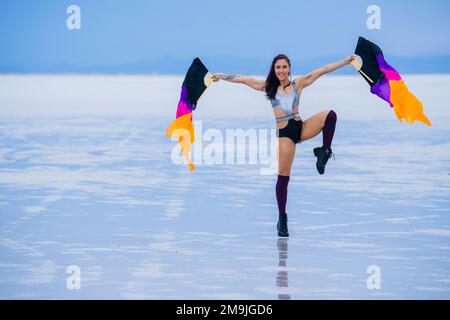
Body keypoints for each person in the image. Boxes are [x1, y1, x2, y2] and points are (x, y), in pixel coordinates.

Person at [212, 54, 355, 237]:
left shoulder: (298, 84)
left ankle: (324, 152)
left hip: (301, 127)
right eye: (278, 67)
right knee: (284, 177)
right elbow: (243, 80)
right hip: (285, 134)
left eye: (284, 67)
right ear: (274, 69)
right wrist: (221, 76)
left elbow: (323, 69)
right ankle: (282, 218)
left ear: (289, 68)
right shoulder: (268, 87)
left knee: (330, 115)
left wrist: (346, 61)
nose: (281, 70)